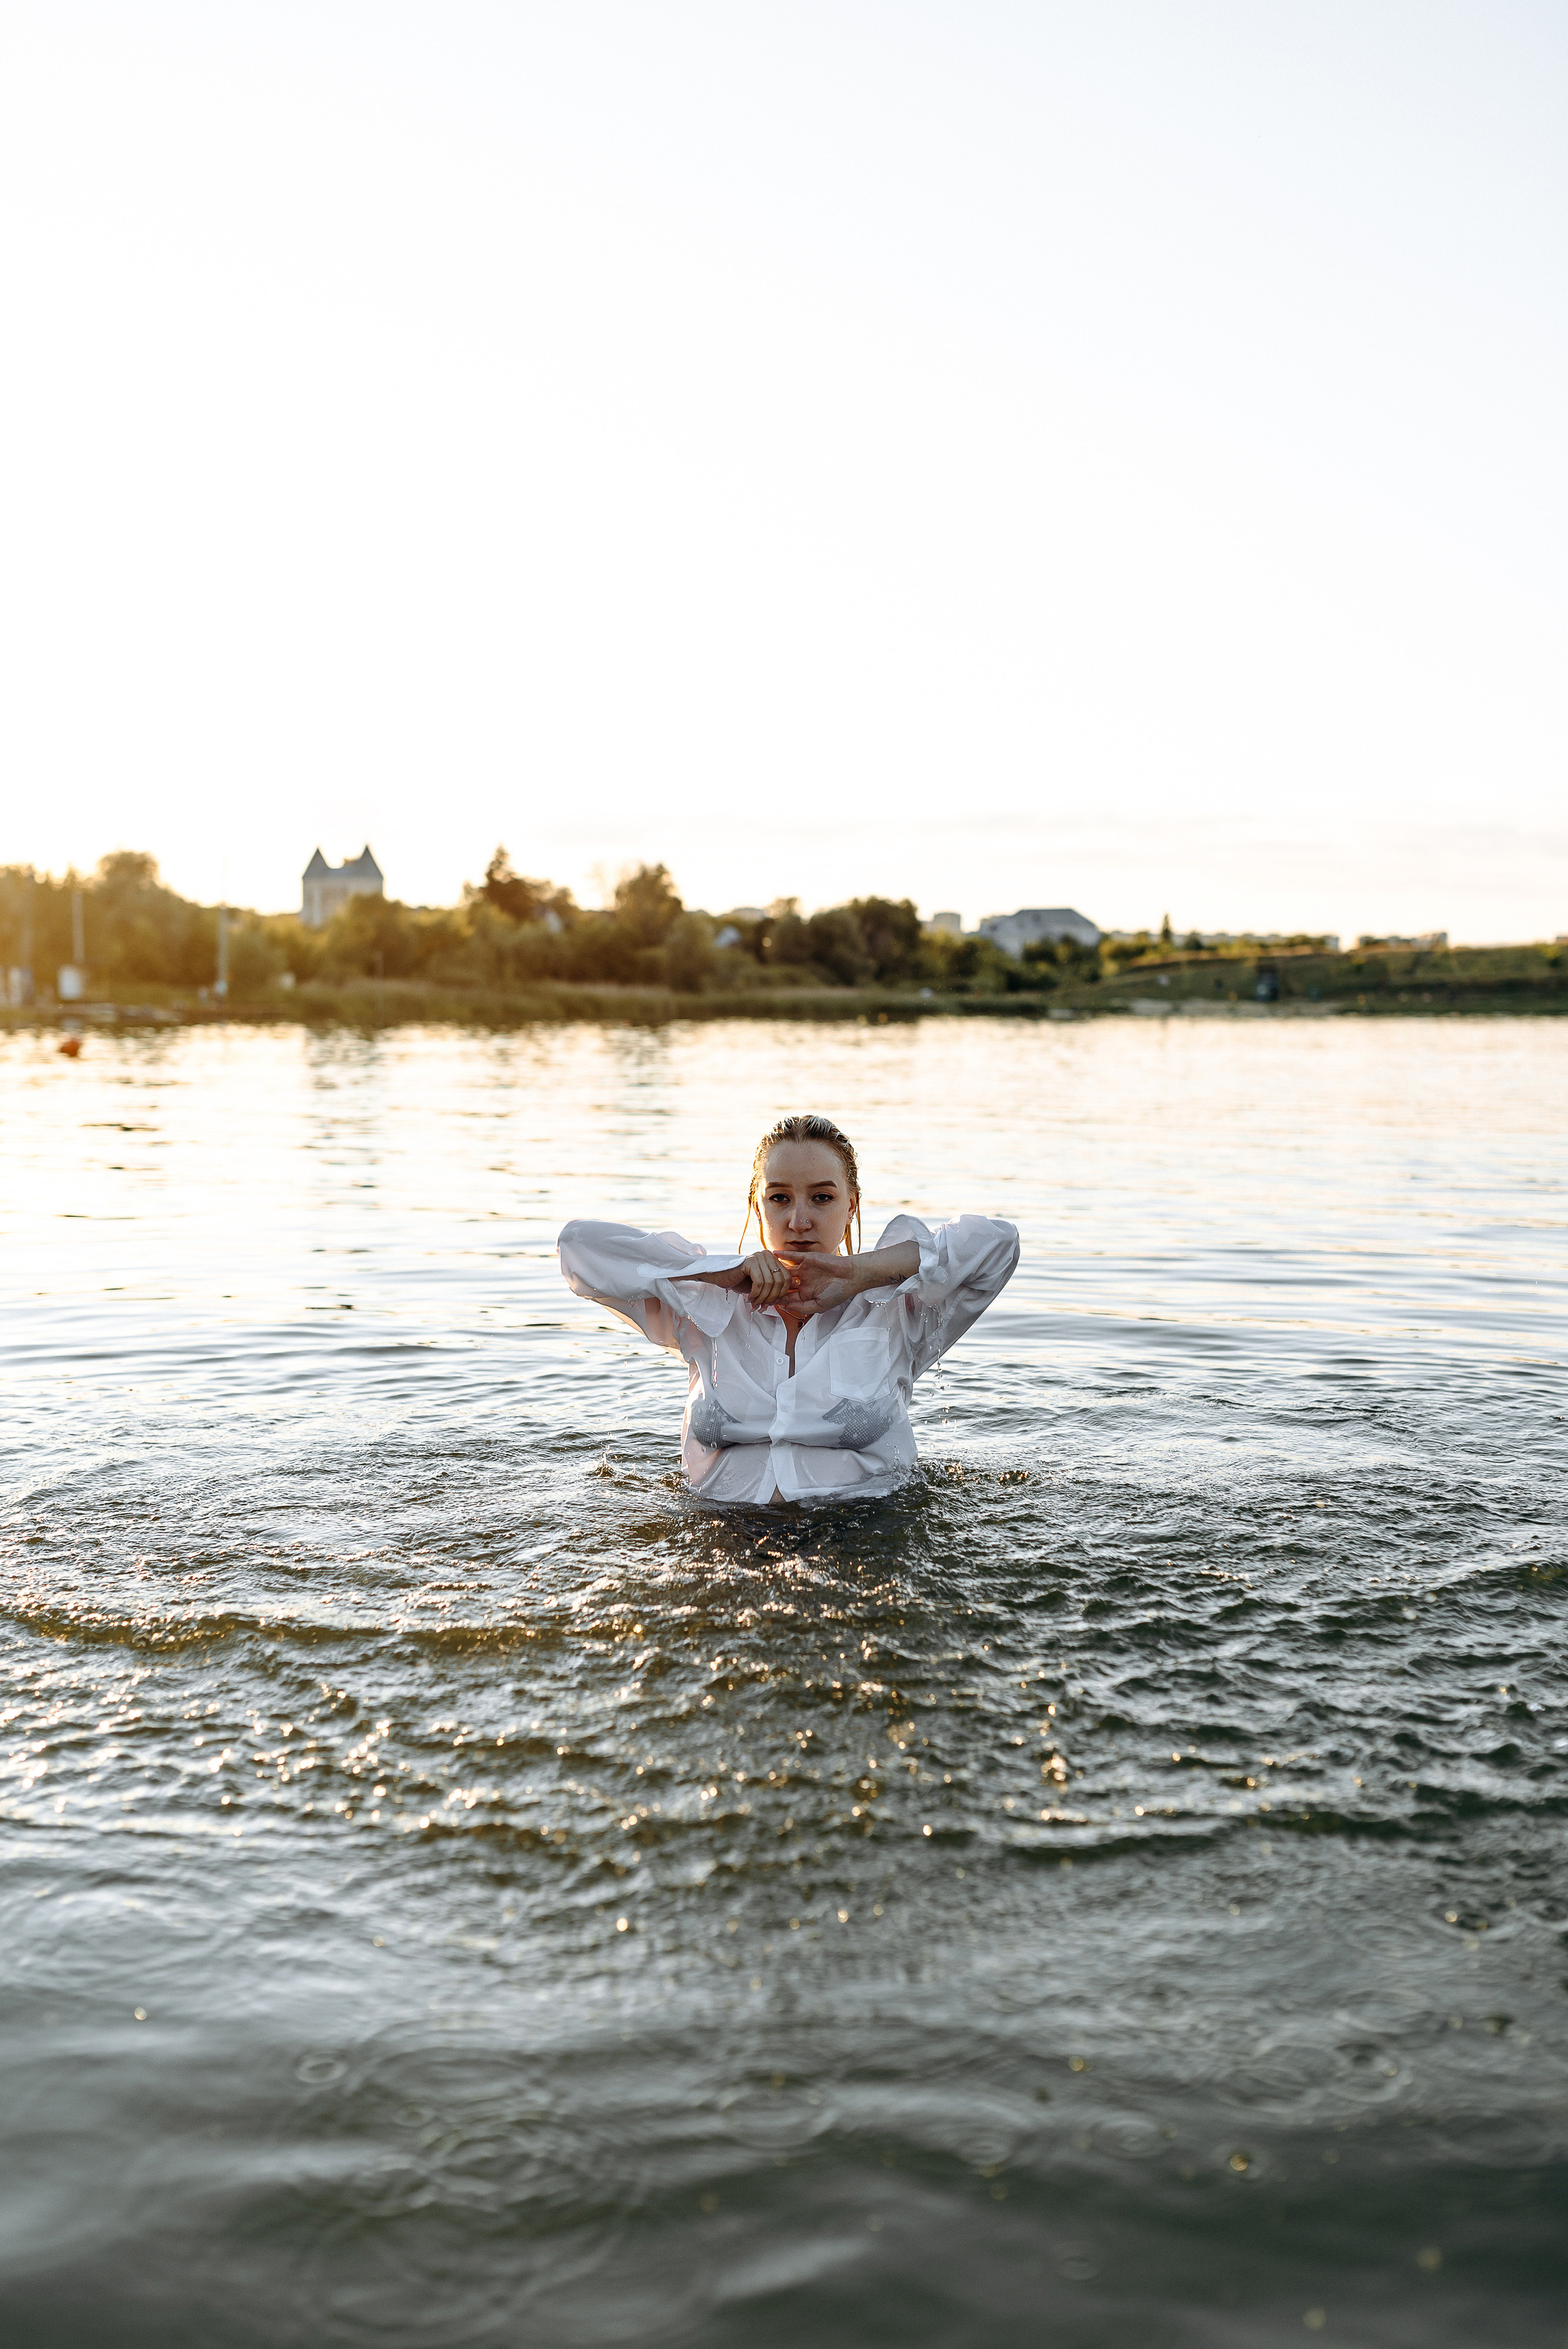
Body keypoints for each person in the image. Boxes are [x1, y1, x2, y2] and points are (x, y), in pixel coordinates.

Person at [557, 1112, 1019, 1506]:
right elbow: (579, 1247)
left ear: (852, 1205)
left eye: (822, 1198)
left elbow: (998, 1244)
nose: (799, 1221)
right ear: (757, 1208)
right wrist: (723, 1272)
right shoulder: (703, 1303)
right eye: (779, 1198)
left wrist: (859, 1272)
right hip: (722, 1537)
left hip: (860, 1537)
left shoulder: (896, 1307)